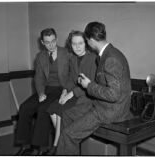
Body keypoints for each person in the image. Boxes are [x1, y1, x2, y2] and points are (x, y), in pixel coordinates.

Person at [56, 21, 133, 155]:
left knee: (68, 135)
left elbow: (113, 94)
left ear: (91, 40)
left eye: (85, 41)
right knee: (67, 114)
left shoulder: (110, 58)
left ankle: (68, 144)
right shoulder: (112, 52)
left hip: (110, 112)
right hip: (105, 105)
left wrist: (88, 85)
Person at [15, 28, 71, 155]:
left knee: (43, 109)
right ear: (42, 42)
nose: (51, 45)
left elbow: (72, 75)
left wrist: (67, 91)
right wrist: (40, 93)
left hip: (61, 89)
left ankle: (42, 148)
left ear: (56, 39)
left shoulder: (66, 53)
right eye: (47, 42)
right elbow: (38, 77)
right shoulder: (40, 56)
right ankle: (26, 146)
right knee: (24, 107)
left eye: (53, 41)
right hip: (46, 89)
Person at [45, 30, 97, 155]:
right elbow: (70, 79)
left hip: (87, 97)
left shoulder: (92, 58)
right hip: (74, 93)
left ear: (86, 44)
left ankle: (57, 145)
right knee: (52, 108)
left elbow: (91, 84)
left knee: (61, 111)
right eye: (74, 44)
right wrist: (64, 91)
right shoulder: (73, 58)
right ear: (70, 44)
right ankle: (60, 142)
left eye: (80, 43)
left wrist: (70, 95)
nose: (77, 47)